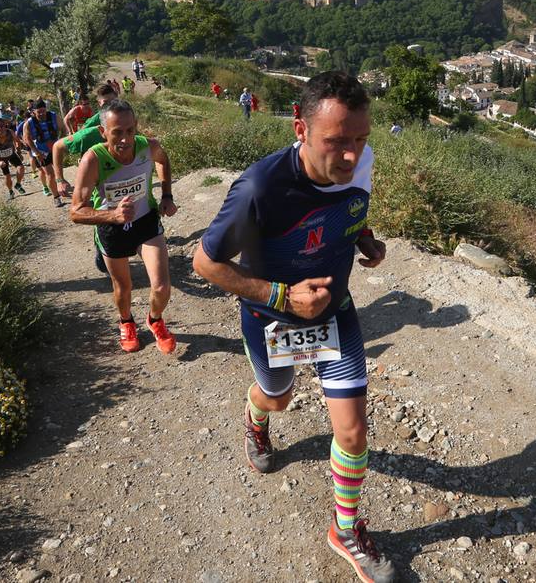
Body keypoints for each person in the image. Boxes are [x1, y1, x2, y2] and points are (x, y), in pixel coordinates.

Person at [192, 72, 393, 583]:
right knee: (277, 398)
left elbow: (350, 207)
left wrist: (362, 236)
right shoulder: (261, 187)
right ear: (300, 128)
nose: (351, 156)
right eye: (336, 142)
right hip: (270, 321)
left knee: (352, 428)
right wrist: (282, 297)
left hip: (335, 311)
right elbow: (205, 264)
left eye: (360, 140)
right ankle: (256, 416)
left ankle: (343, 528)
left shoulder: (359, 163)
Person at [69, 99, 179, 354]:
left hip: (146, 222)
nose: (125, 139)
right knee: (124, 287)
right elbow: (75, 212)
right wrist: (113, 216)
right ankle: (127, 322)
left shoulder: (147, 146)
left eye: (130, 130)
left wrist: (167, 195)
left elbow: (163, 160)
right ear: (103, 132)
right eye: (116, 132)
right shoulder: (94, 159)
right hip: (112, 230)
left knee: (162, 287)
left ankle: (154, 320)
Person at [53, 83, 121, 194]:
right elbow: (57, 146)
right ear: (99, 104)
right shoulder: (92, 130)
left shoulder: (127, 118)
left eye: (113, 101)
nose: (111, 106)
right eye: (106, 103)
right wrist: (60, 180)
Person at [22, 100, 65, 207]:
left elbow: (63, 128)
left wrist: (62, 142)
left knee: (59, 172)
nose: (41, 114)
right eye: (39, 112)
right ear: (33, 112)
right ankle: (56, 197)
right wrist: (36, 153)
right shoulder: (29, 123)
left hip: (55, 148)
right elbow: (27, 138)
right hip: (41, 151)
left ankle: (62, 186)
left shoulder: (54, 116)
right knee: (50, 174)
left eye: (43, 111)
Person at [0, 113, 27, 199]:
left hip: (12, 154)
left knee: (21, 168)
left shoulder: (10, 132)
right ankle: (10, 191)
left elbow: (17, 141)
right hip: (1, 158)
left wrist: (19, 152)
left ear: (5, 126)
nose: (0, 128)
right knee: (7, 176)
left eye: (1, 126)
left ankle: (18, 184)